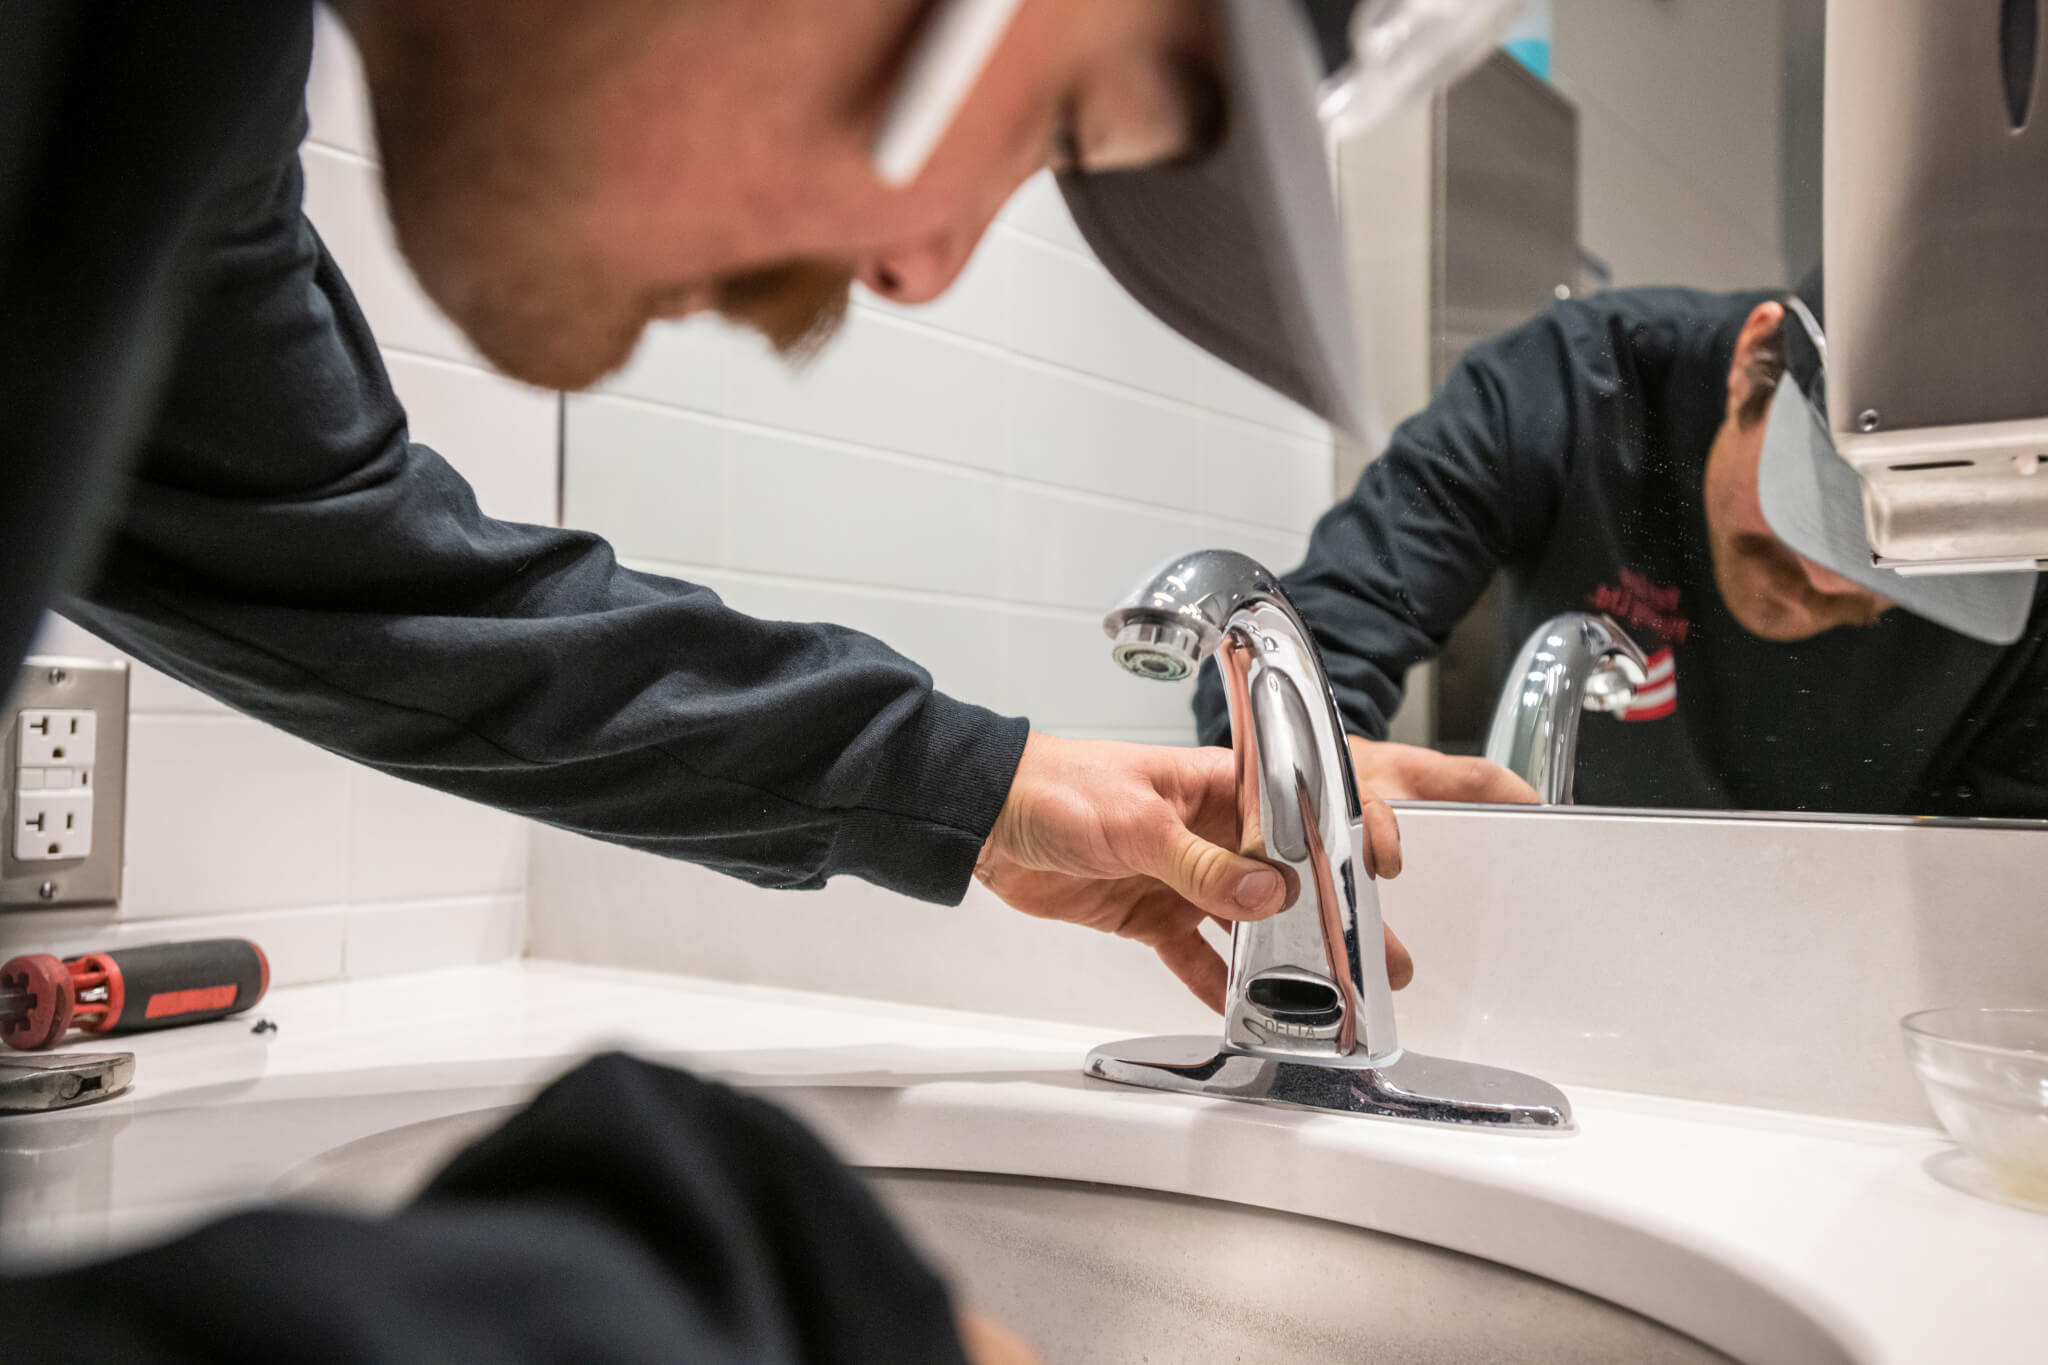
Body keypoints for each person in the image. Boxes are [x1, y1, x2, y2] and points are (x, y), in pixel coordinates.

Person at [1, 1, 1445, 1360]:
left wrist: (968, 783)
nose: (923, 261)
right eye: (1059, 115)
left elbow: (334, 561)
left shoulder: (162, 82)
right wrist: (748, 1285)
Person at [1196, 285, 2048, 817]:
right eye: (1794, 529)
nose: (1814, 584)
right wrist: (1306, 774)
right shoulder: (1575, 381)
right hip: (1557, 922)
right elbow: (1319, 629)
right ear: (1756, 362)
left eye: (1878, 582)